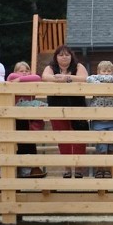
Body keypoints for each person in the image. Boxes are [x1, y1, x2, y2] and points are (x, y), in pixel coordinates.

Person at [42, 45, 90, 178]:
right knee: (62, 138)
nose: (64, 57)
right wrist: (60, 78)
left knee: (80, 137)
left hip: (77, 106)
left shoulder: (78, 66)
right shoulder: (51, 67)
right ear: (56, 57)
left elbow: (85, 78)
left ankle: (79, 168)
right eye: (61, 55)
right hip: (56, 107)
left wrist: (67, 78)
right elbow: (45, 77)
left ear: (71, 56)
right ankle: (67, 168)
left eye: (67, 54)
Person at [7, 61, 47, 178]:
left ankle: (31, 168)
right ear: (16, 71)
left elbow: (37, 77)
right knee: (19, 142)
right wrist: (21, 78)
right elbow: (12, 77)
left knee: (29, 141)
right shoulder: (12, 77)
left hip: (28, 116)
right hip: (16, 116)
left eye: (26, 71)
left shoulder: (26, 80)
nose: (24, 73)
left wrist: (20, 80)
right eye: (21, 71)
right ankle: (21, 168)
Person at [86, 61, 113, 179]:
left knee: (112, 146)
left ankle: (108, 170)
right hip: (98, 118)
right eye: (104, 71)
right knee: (101, 147)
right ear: (98, 72)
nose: (106, 74)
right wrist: (102, 83)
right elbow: (89, 78)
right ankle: (100, 169)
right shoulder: (94, 78)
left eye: (109, 71)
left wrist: (106, 81)